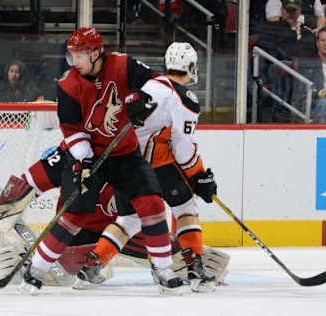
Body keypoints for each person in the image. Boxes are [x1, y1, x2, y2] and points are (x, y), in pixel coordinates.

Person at [0, 27, 183, 295]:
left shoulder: (122, 64)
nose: (75, 61)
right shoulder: (67, 85)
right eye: (71, 55)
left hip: (126, 155)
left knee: (151, 203)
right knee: (74, 215)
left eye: (80, 55)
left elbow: (159, 81)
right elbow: (72, 130)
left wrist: (143, 98)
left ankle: (163, 271)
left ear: (96, 52)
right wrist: (85, 163)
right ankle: (34, 270)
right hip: (88, 157)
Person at [73, 42, 218, 293]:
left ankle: (92, 267)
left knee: (128, 218)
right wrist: (200, 175)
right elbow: (183, 151)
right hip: (155, 166)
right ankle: (196, 270)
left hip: (123, 163)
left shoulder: (148, 85)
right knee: (185, 207)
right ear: (191, 67)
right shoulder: (185, 98)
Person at [0, 143, 230, 289]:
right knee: (72, 266)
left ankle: (183, 262)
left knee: (174, 256)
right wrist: (8, 202)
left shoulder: (137, 147)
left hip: (125, 229)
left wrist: (196, 177)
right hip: (81, 232)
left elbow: (169, 173)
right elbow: (30, 180)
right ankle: (24, 261)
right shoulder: (72, 150)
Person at [256, 0, 317, 122]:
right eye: (288, 11)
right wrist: (290, 60)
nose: (290, 14)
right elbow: (267, 49)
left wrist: (299, 62)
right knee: (284, 66)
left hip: (303, 69)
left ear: (299, 11)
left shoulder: (307, 33)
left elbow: (312, 54)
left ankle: (300, 105)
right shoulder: (271, 29)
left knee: (306, 69)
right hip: (276, 66)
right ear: (282, 11)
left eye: (294, 11)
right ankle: (281, 108)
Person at [292, 26, 326, 123]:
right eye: (323, 40)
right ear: (317, 43)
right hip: (313, 104)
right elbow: (299, 92)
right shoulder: (306, 63)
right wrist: (320, 93)